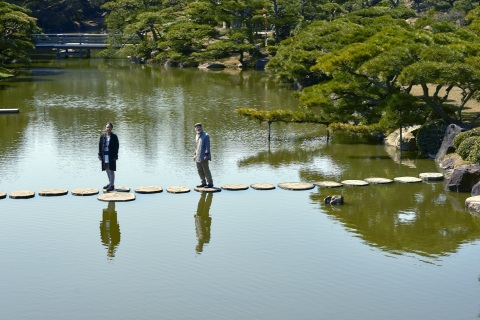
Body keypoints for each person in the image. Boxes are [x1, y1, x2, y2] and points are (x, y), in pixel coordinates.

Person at [98, 122, 119, 192]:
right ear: (105, 128)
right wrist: (100, 155)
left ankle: (112, 185)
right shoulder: (102, 136)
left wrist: (115, 156)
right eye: (107, 127)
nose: (108, 128)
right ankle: (110, 183)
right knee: (107, 169)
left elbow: (117, 147)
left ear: (112, 128)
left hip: (111, 156)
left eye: (109, 127)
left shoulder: (114, 137)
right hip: (104, 156)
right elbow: (100, 146)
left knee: (111, 170)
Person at [193, 122, 213, 187]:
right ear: (195, 129)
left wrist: (206, 155)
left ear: (201, 127)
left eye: (199, 127)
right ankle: (203, 183)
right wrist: (194, 155)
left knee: (206, 170)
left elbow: (208, 146)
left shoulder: (206, 135)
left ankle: (210, 183)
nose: (198, 128)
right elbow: (195, 146)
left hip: (204, 156)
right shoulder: (196, 135)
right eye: (196, 127)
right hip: (197, 156)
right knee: (199, 170)